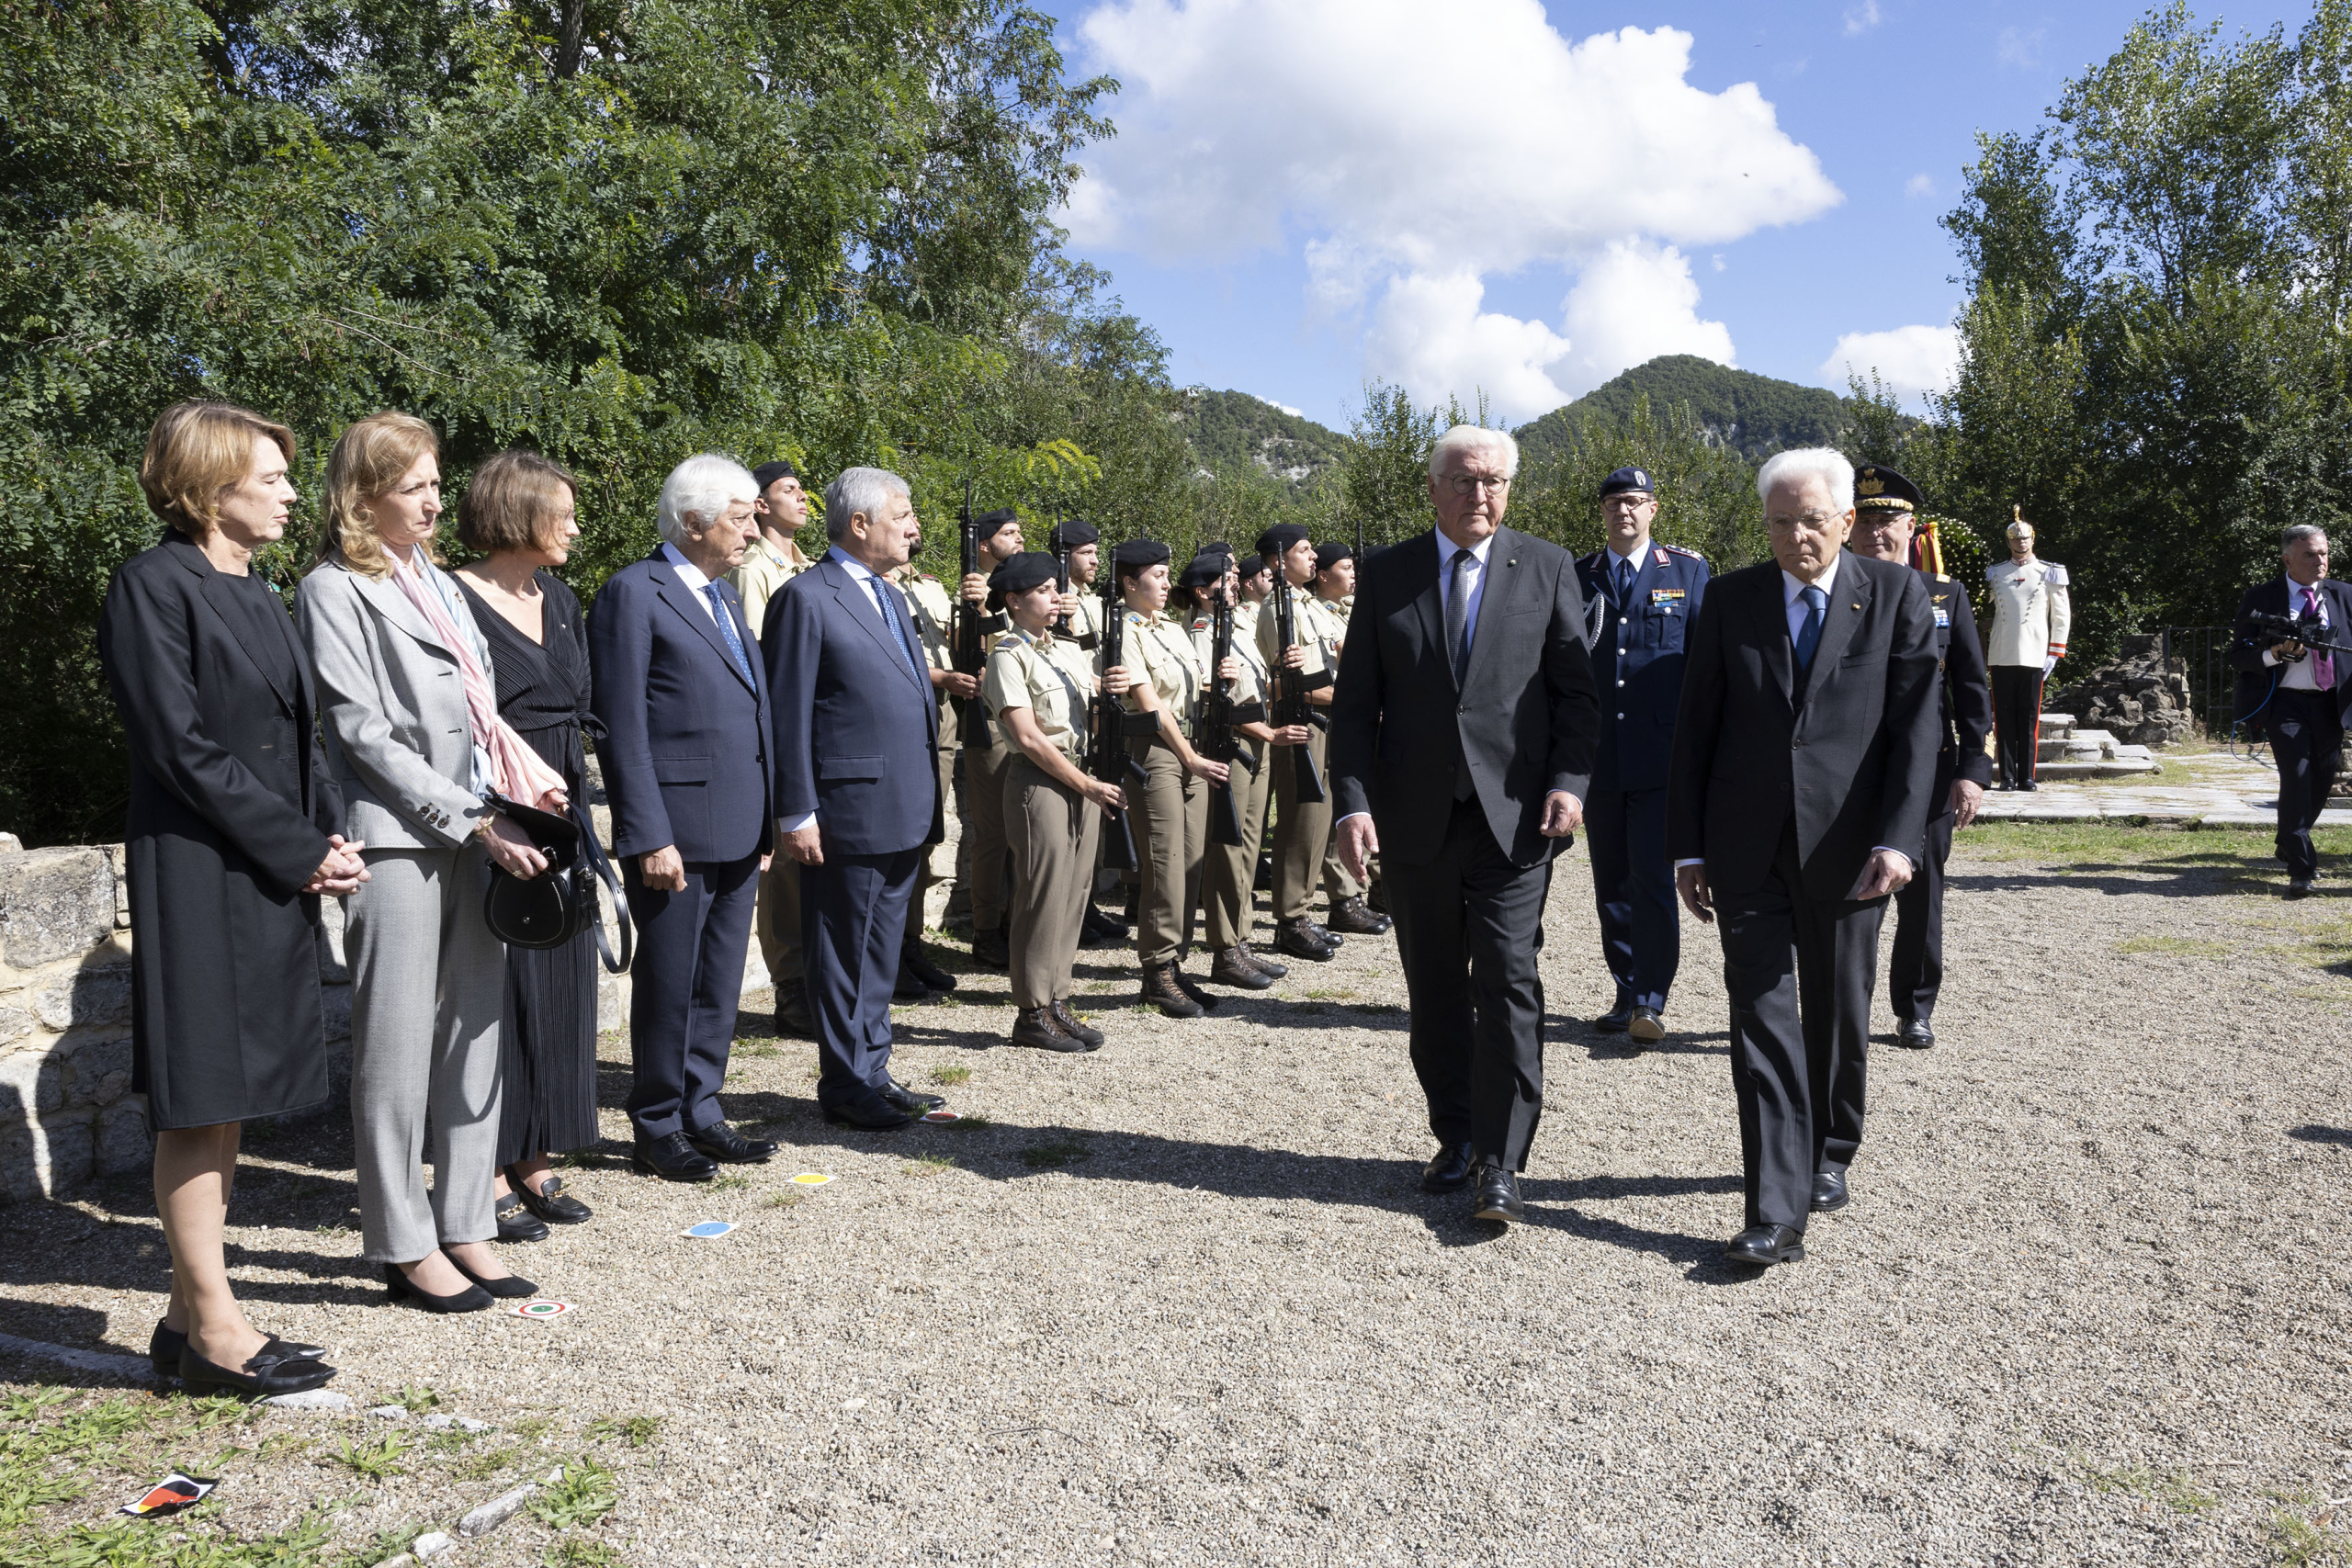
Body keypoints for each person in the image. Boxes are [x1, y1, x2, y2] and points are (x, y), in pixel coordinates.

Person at [98, 402, 356, 1394]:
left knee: (229, 1101)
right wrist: (301, 849)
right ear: (211, 488)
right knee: (199, 1099)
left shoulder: (258, 587)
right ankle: (215, 1328)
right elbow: (182, 748)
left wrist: (326, 833)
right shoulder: (152, 587)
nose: (294, 493)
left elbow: (300, 735)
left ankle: (184, 1317)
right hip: (201, 871)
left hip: (263, 866)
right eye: (274, 477)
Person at [300, 411, 555, 1312]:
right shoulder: (332, 590)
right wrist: (474, 817)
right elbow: (362, 733)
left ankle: (466, 1222)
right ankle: (403, 1244)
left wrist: (520, 791)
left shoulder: (442, 586)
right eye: (414, 487)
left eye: (438, 486)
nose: (434, 503)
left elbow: (483, 712)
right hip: (401, 838)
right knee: (396, 1049)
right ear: (363, 495)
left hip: (481, 828)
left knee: (473, 1034)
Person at [1668, 446, 1940, 1268]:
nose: (1797, 538)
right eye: (1781, 523)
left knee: (1836, 1011)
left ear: (1847, 521)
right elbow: (1697, 728)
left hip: (1852, 850)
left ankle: (1832, 1143)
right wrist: (1687, 846)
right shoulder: (1728, 599)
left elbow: (1918, 729)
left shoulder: (1894, 595)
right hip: (1747, 847)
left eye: (1813, 521)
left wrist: (1899, 839)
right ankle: (1775, 1206)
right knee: (1759, 1016)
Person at [1329, 425, 1601, 1225]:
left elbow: (1577, 697)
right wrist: (1352, 802)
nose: (1481, 495)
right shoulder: (1389, 575)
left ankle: (1502, 1159)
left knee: (1510, 978)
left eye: (1495, 482)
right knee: (1436, 985)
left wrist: (1569, 783)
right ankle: (1454, 1134)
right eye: (1465, 480)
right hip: (1413, 821)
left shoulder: (1547, 567)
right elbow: (1353, 709)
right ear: (1433, 487)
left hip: (1514, 820)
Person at [589, 453, 776, 1181]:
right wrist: (647, 832)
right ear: (693, 521)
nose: (753, 529)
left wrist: (765, 822)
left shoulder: (723, 597)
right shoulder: (635, 592)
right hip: (676, 831)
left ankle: (703, 1108)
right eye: (741, 515)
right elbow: (621, 724)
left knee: (719, 978)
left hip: (737, 825)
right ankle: (657, 1121)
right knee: (669, 981)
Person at [766, 468, 950, 1129]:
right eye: (903, 513)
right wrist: (796, 809)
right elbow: (785, 713)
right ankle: (845, 1085)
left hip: (900, 804)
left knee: (879, 951)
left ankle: (873, 1068)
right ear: (859, 523)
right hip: (845, 810)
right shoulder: (806, 597)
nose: (914, 525)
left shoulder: (892, 597)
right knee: (842, 950)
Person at [453, 452, 601, 1237]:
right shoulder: (455, 597)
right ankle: (486, 1164)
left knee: (559, 976)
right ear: (517, 512)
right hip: (497, 806)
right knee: (497, 996)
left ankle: (537, 1151)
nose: (576, 525)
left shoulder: (562, 597)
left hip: (562, 803)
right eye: (563, 512)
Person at [1848, 466, 1992, 1048]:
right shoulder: (1832, 592)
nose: (1877, 532)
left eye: (1889, 520)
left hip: (1929, 768)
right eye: (1866, 520)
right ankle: (1845, 1008)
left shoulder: (1944, 595)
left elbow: (1972, 688)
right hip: (1851, 770)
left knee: (1922, 892)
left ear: (1912, 527)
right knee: (1851, 891)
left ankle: (1914, 1008)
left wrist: (1971, 771)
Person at [1574, 467, 1710, 1046]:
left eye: (1634, 502)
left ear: (1653, 509)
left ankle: (1652, 997)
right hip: (1601, 754)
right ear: (1602, 513)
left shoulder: (1686, 570)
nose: (1623, 512)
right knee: (1610, 880)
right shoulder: (1577, 575)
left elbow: (1705, 663)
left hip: (1661, 754)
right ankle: (1627, 987)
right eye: (1613, 504)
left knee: (1653, 877)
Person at [983, 551, 1128, 1049]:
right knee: (1041, 895)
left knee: (1073, 892)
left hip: (1080, 778)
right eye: (1043, 590)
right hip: (1041, 782)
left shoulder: (1063, 650)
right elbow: (1028, 737)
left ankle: (1056, 999)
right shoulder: (1007, 654)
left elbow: (1093, 695)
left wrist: (1113, 685)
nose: (1054, 597)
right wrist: (1084, 785)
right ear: (1014, 600)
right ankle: (1030, 1010)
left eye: (1054, 588)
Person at [1107, 539, 1234, 1017]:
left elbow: (1193, 688)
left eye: (1165, 575)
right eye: (1157, 576)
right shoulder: (1122, 629)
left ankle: (1175, 963)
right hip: (1156, 753)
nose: (1166, 584)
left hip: (1189, 749)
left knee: (1191, 861)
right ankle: (1157, 971)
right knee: (1164, 861)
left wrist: (1221, 676)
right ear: (1129, 583)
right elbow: (1149, 703)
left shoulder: (1171, 630)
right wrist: (1190, 758)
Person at [731, 460, 820, 1037]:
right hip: (783, 718)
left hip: (819, 721)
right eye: (788, 490)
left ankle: (816, 976)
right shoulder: (754, 568)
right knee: (785, 864)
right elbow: (759, 652)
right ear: (760, 506)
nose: (802, 498)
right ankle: (790, 986)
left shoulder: (809, 567)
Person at [1186, 551, 1303, 988]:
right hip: (1231, 742)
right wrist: (1269, 734)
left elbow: (1253, 691)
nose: (1237, 584)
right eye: (1227, 579)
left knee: (1251, 844)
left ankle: (1241, 939)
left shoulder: (1234, 630)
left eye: (1236, 577)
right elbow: (1215, 702)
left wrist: (1281, 674)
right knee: (1228, 845)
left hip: (1256, 739)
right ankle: (1225, 947)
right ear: (1202, 592)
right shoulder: (1203, 632)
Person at [2230, 525, 2352, 897]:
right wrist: (2275, 653)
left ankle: (2288, 836)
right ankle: (2302, 869)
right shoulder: (2261, 597)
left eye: (2324, 553)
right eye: (2310, 555)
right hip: (2284, 702)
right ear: (2288, 559)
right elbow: (2238, 655)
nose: (2320, 561)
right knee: (2296, 775)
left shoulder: (2345, 595)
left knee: (2320, 779)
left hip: (2332, 701)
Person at [1257, 525, 1343, 963]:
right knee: (1300, 821)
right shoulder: (1278, 610)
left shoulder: (1313, 607)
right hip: (1299, 721)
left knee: (1320, 818)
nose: (1313, 557)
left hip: (1326, 719)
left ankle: (1302, 911)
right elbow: (1281, 684)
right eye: (1304, 550)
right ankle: (1289, 919)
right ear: (1279, 560)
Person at [890, 551, 968, 998]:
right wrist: (941, 676)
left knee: (925, 837)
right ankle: (890, 955)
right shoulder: (868, 587)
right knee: (900, 839)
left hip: (940, 717)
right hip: (906, 714)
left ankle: (910, 945)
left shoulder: (931, 587)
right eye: (902, 518)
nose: (912, 527)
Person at [1049, 518, 1126, 944]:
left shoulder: (1093, 601)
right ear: (1066, 557)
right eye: (1087, 553)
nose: (1095, 559)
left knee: (1090, 822)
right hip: (1068, 718)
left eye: (1096, 552)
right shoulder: (1052, 599)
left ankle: (1086, 905)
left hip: (1099, 718)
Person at [956, 507, 1026, 967]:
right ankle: (986, 929)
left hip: (1024, 716)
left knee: (1023, 831)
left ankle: (1015, 920)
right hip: (988, 718)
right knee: (993, 833)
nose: (1019, 538)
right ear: (984, 545)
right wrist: (978, 607)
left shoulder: (1019, 587)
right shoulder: (965, 592)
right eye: (1009, 533)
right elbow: (965, 651)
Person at [1311, 541, 1388, 939]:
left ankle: (1371, 886)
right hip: (1326, 721)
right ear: (1323, 575)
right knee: (1333, 813)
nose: (1354, 574)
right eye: (1346, 566)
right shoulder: (1317, 615)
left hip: (1354, 717)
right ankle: (1344, 898)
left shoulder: (1343, 613)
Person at [1985, 512, 2070, 791]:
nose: (2021, 543)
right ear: (2008, 541)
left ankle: (2027, 776)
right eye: (2015, 538)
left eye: (2025, 538)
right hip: (2001, 654)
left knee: (2029, 718)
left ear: (2033, 538)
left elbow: (2061, 616)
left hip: (2034, 655)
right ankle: (2007, 776)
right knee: (2004, 718)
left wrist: (2055, 652)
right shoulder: (1995, 572)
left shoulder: (2049, 571)